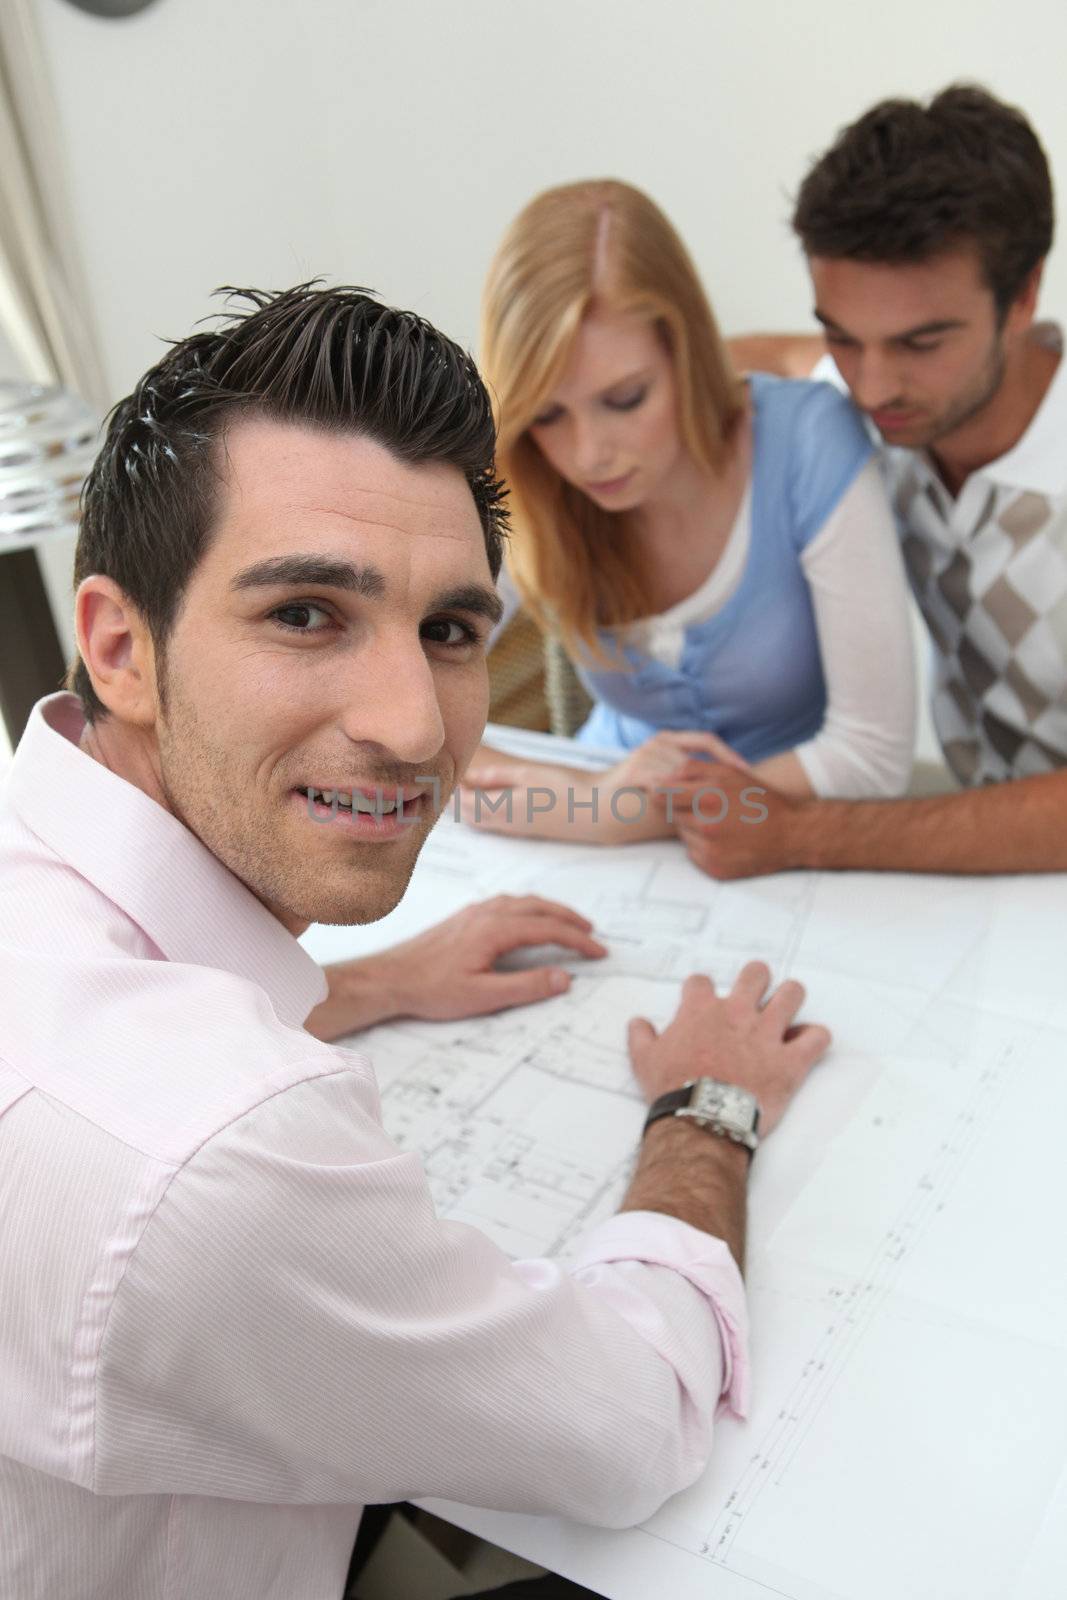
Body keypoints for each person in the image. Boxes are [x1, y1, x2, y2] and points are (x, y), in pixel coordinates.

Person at [0, 284, 831, 1600]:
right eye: (304, 615)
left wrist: (372, 979)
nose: (411, 725)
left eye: (448, 631)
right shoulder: (224, 1158)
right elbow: (627, 1423)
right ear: (118, 645)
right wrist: (700, 1114)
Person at [456, 179, 916, 847]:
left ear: (689, 354)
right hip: (596, 822)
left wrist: (614, 814)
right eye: (548, 414)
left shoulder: (810, 443)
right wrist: (591, 802)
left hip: (792, 830)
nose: (588, 456)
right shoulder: (523, 471)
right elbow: (408, 731)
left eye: (626, 398)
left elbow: (871, 760)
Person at [689, 84, 1067, 878]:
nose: (871, 386)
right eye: (844, 337)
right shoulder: (873, 403)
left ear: (1022, 295)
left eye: (921, 342)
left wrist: (801, 835)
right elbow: (755, 358)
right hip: (975, 882)